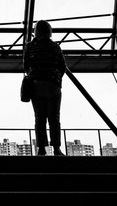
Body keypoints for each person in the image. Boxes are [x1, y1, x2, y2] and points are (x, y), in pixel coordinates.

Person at [23, 20, 67, 156]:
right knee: (54, 118)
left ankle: (41, 149)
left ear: (36, 31)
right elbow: (62, 66)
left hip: (36, 85)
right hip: (53, 85)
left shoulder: (29, 46)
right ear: (49, 31)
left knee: (39, 118)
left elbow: (25, 66)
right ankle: (57, 149)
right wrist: (56, 77)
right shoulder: (55, 47)